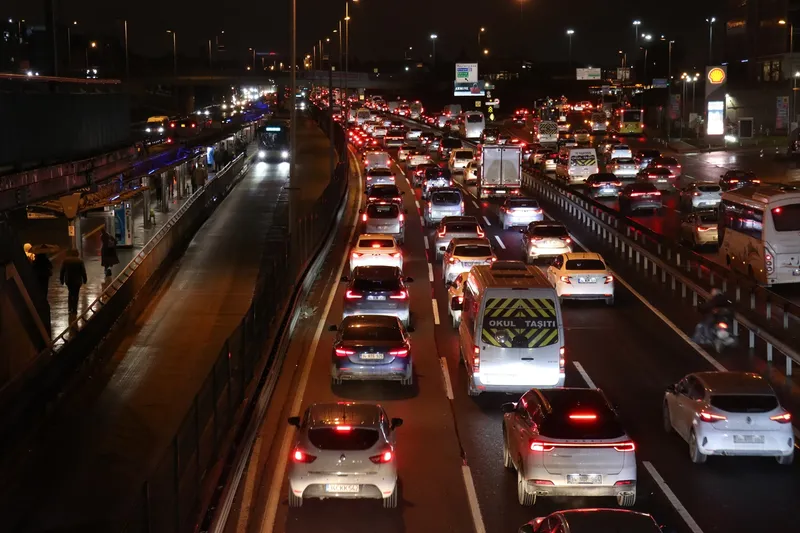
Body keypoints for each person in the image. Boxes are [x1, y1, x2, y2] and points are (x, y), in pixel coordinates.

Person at [60, 249, 87, 315]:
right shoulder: (80, 261)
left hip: (69, 280)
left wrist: (62, 280)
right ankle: (74, 309)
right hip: (77, 281)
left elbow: (62, 271)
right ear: (77, 254)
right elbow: (83, 271)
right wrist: (85, 279)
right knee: (76, 294)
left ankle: (70, 308)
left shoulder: (66, 261)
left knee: (70, 293)